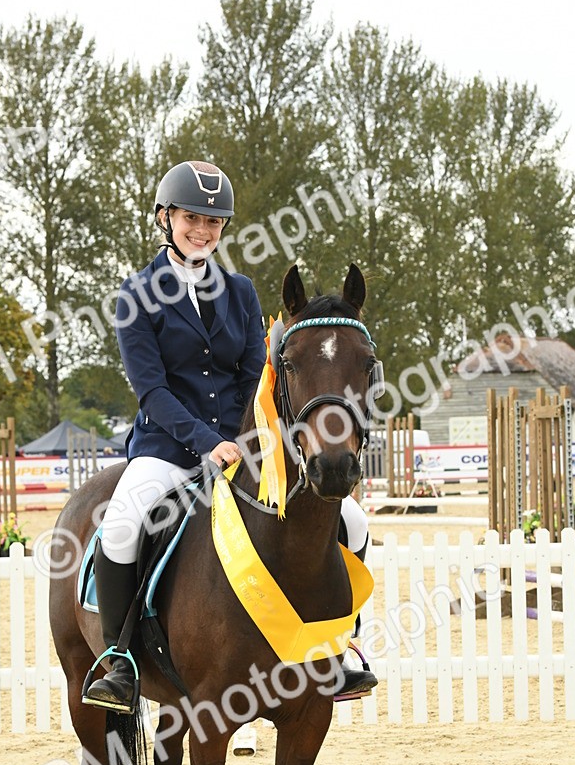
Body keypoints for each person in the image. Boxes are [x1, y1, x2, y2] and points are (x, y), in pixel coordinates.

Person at [83, 159, 374, 713]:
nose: (203, 230)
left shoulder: (240, 292)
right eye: (192, 217)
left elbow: (252, 375)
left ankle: (341, 645)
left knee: (352, 519)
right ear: (166, 218)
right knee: (121, 524)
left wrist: (252, 437)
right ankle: (118, 659)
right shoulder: (136, 295)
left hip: (245, 445)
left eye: (214, 222)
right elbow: (152, 390)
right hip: (167, 449)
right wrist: (203, 440)